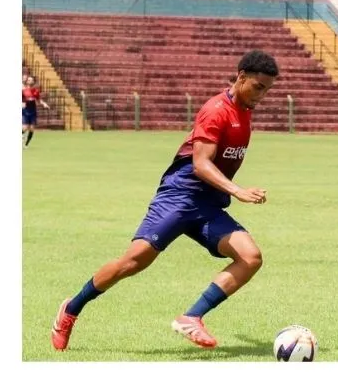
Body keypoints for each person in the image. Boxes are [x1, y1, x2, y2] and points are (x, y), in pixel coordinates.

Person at [50, 50, 280, 351]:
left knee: (250, 257)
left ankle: (191, 317)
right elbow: (200, 163)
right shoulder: (216, 110)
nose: (262, 95)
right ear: (240, 77)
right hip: (179, 197)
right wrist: (237, 190)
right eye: (258, 87)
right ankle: (71, 308)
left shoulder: (244, 111)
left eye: (267, 89)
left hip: (208, 204)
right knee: (133, 261)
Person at [22, 75, 50, 148]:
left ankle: (26, 144)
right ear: (27, 81)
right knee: (25, 128)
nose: (30, 81)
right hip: (25, 111)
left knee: (32, 129)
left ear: (33, 82)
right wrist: (22, 104)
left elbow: (39, 99)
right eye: (29, 80)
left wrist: (44, 104)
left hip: (33, 111)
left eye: (31, 80)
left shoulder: (36, 91)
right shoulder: (23, 91)